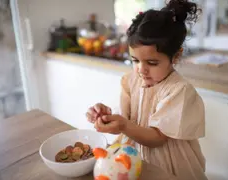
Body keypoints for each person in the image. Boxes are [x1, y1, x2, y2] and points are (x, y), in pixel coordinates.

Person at [86, 0, 207, 179]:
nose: (141, 69)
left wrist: (122, 124)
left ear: (176, 56)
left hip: (170, 166)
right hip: (134, 160)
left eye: (152, 63)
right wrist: (106, 116)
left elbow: (157, 138)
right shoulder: (130, 81)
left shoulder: (179, 91)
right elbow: (125, 122)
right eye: (135, 60)